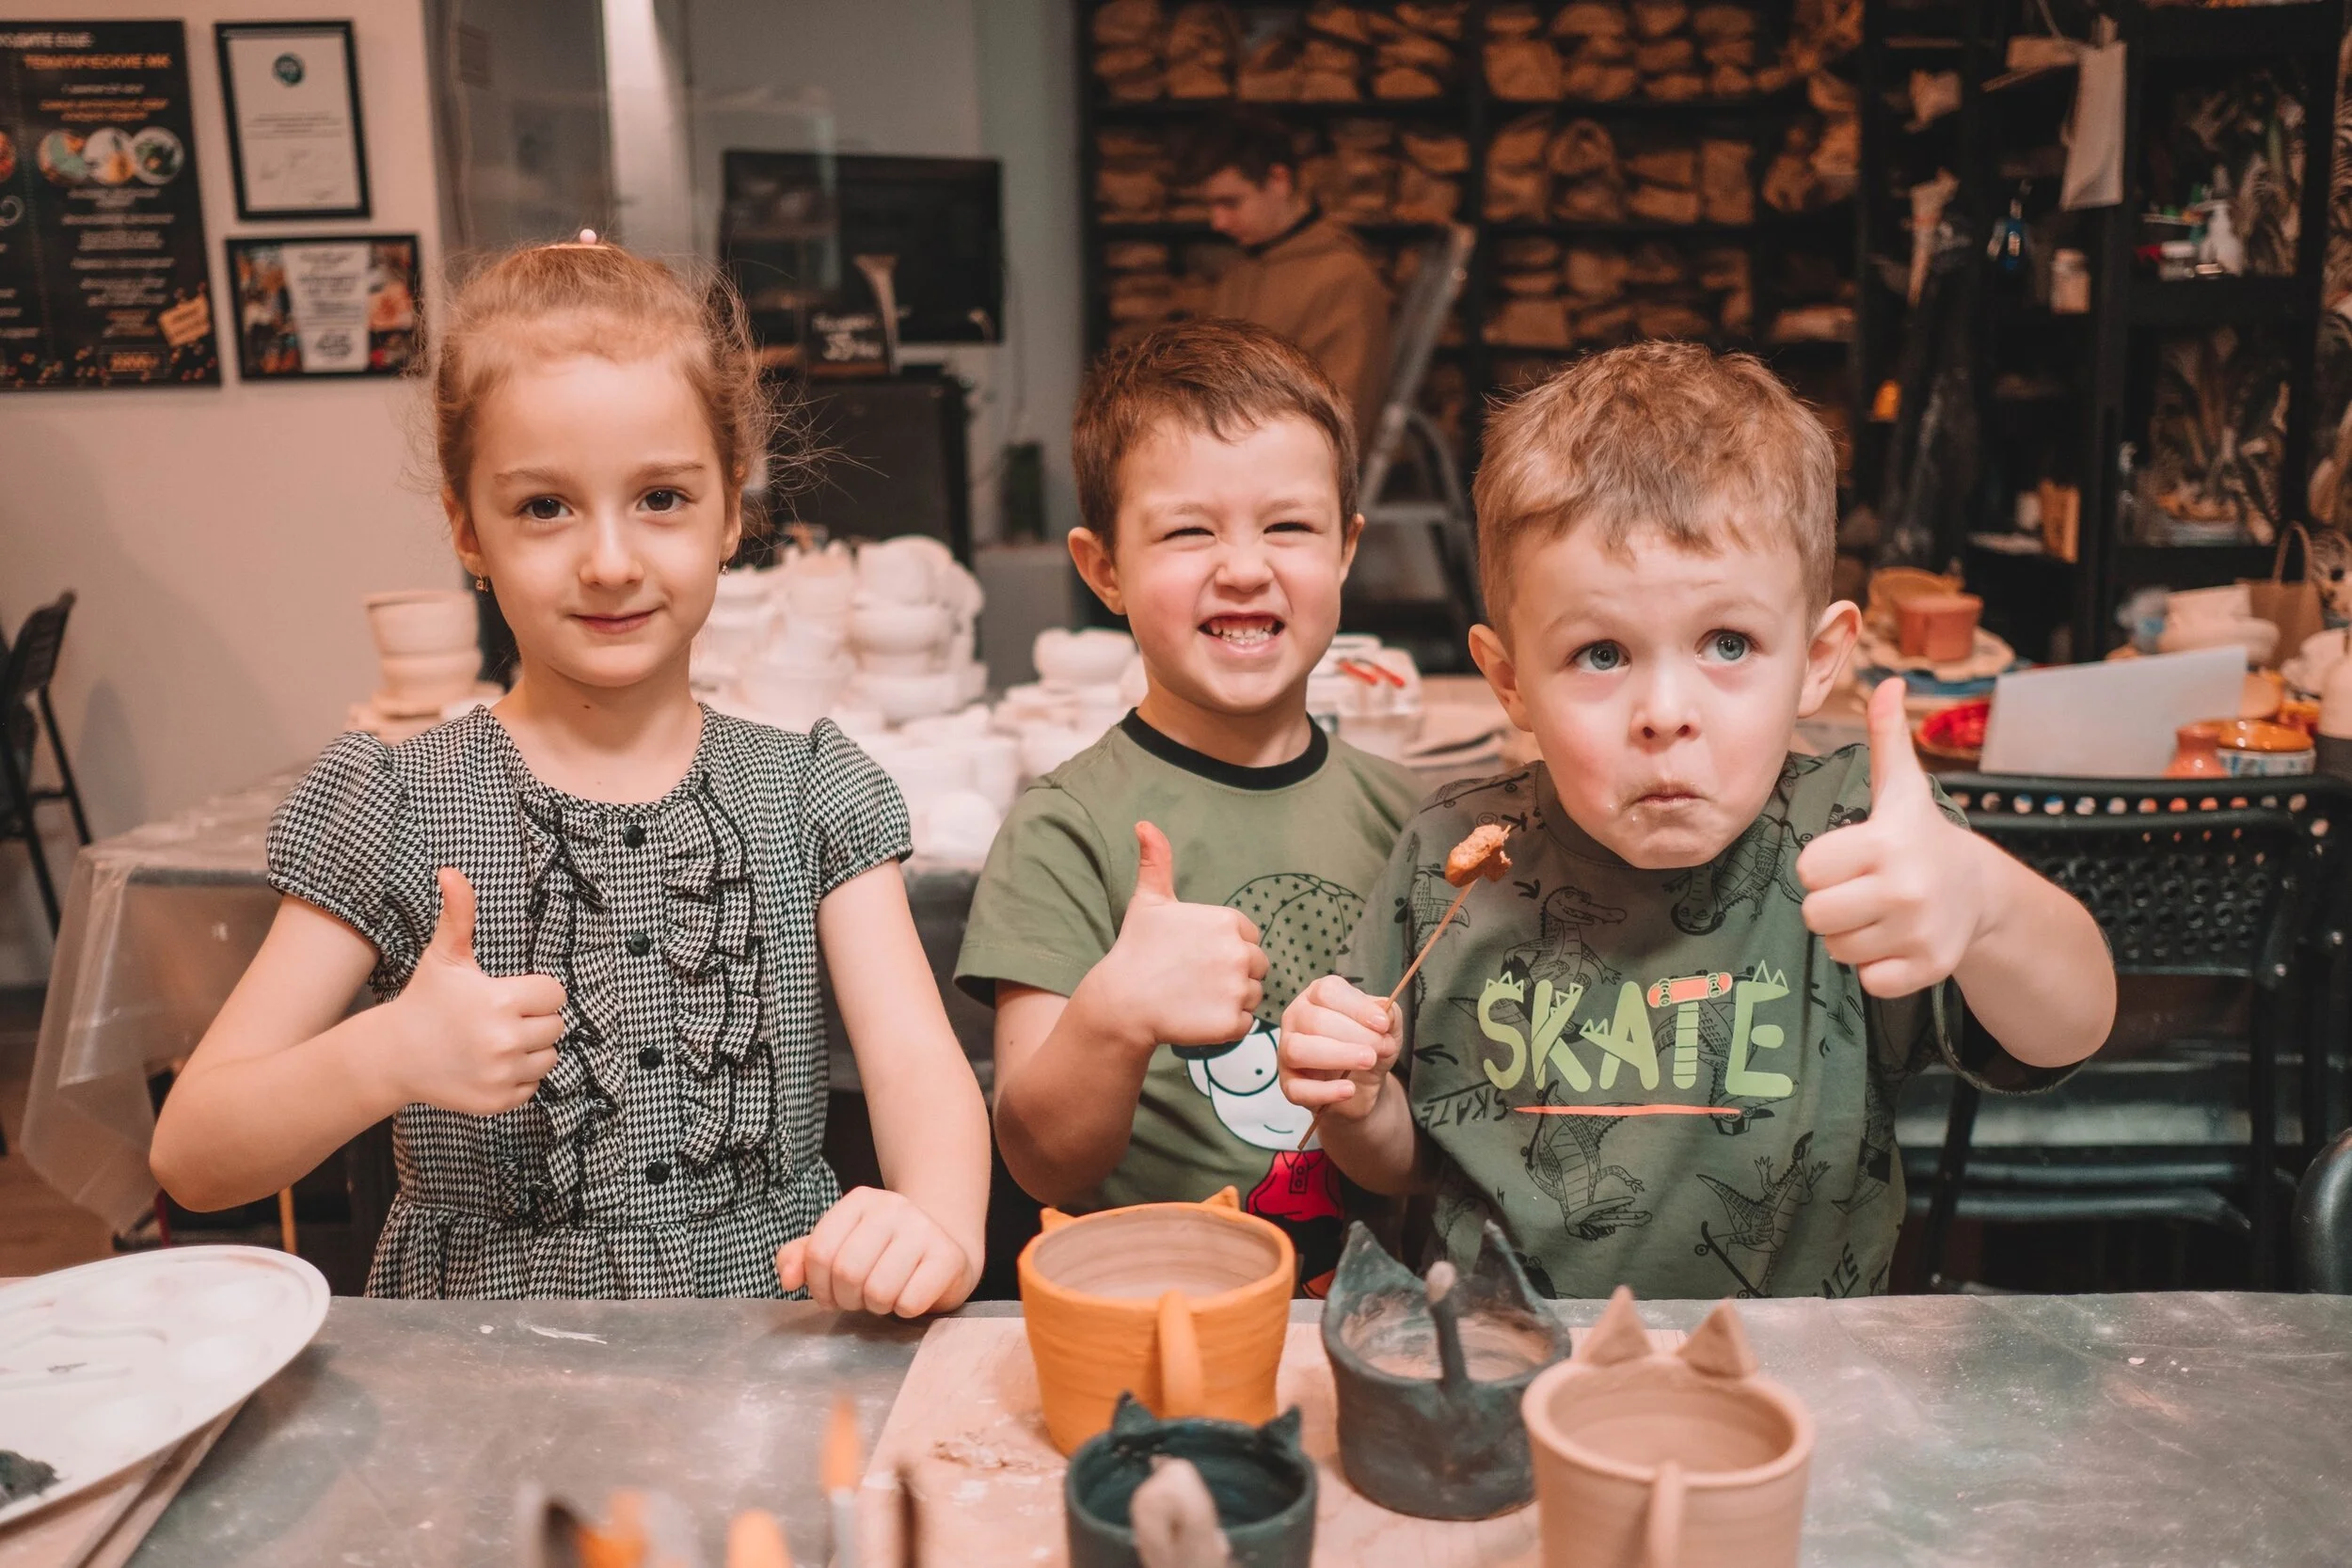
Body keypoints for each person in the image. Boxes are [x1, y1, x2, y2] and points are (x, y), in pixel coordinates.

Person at [150, 237, 991, 1311]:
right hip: (479, 1371)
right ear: (467, 528)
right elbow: (194, 1152)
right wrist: (385, 1055)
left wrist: (939, 1225)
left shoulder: (809, 793)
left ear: (732, 509)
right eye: (544, 506)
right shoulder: (397, 804)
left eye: (661, 497)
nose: (609, 561)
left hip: (767, 1350)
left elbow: (918, 1066)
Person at [1276, 342, 2115, 1299]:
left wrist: (1986, 903)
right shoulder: (1446, 861)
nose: (1665, 712)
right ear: (1510, 680)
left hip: (1801, 1370)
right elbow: (1403, 1166)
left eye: (1728, 642)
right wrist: (1354, 1105)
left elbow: (2069, 1030)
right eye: (1600, 653)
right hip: (1515, 1357)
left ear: (1817, 658)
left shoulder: (1859, 839)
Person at [956, 319, 1422, 1293]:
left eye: (1287, 526)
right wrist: (1116, 1012)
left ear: (1345, 549)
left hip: (1366, 1319)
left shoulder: (1412, 819)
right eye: (1187, 530)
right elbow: (1040, 1160)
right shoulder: (1064, 828)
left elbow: (1426, 1156)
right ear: (1104, 570)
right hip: (1150, 1310)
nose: (1243, 567)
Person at [1181, 115, 1392, 440]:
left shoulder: (1344, 278)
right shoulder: (1241, 272)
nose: (1217, 222)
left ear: (1278, 180)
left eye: (1231, 202)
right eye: (1211, 205)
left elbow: (1342, 420)